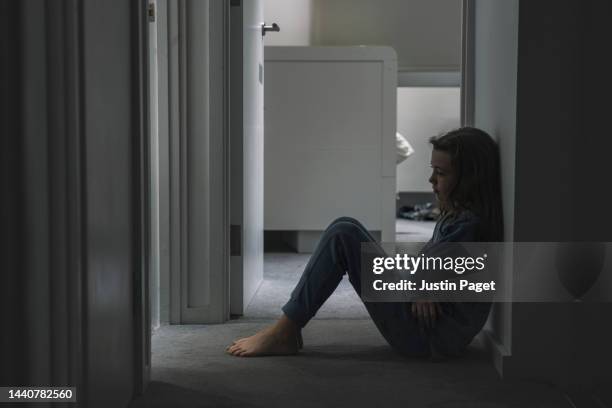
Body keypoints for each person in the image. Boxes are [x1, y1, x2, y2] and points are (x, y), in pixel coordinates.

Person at [226, 127, 504, 358]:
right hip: (424, 325)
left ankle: (284, 331)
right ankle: (286, 327)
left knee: (344, 234)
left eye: (440, 173)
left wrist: (423, 285)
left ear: (469, 179)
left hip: (426, 336)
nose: (431, 180)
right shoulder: (459, 216)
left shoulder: (468, 226)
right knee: (345, 226)